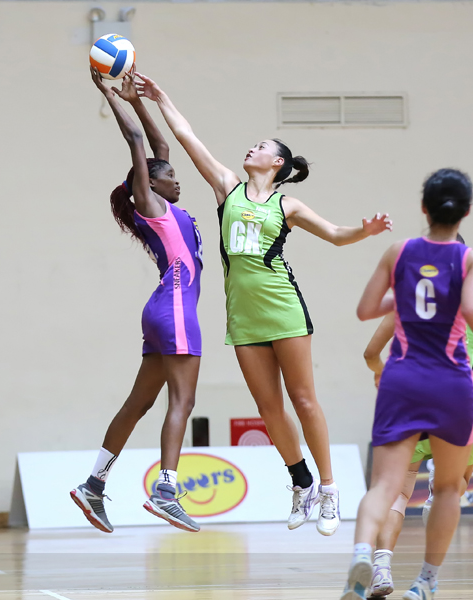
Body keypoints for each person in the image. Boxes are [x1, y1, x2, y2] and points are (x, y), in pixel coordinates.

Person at [134, 72, 392, 535]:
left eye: (261, 146)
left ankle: (330, 490)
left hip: (284, 307)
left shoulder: (286, 205)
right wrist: (160, 97)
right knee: (269, 408)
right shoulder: (227, 188)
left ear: (277, 162)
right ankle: (301, 482)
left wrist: (365, 231)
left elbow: (334, 235)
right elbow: (186, 136)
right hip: (243, 316)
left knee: (303, 399)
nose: (251, 149)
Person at [343, 168, 473, 600]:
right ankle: (425, 581)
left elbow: (365, 310)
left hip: (402, 378)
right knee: (446, 489)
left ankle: (362, 556)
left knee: (384, 486)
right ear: (467, 212)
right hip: (453, 382)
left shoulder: (398, 251)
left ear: (424, 208)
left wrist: (403, 295)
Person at [70, 70, 204, 534]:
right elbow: (137, 142)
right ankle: (166, 491)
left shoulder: (165, 207)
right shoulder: (150, 203)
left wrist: (141, 101)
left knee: (139, 402)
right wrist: (107, 93)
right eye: (169, 176)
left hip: (159, 310)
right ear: (149, 184)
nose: (176, 180)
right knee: (182, 402)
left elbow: (158, 146)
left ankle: (93, 484)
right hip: (176, 309)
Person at [363, 276, 473, 597]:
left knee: (397, 490)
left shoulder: (408, 297)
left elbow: (371, 352)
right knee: (452, 489)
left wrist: (381, 372)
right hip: (460, 398)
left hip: (410, 396)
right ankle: (427, 577)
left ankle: (381, 568)